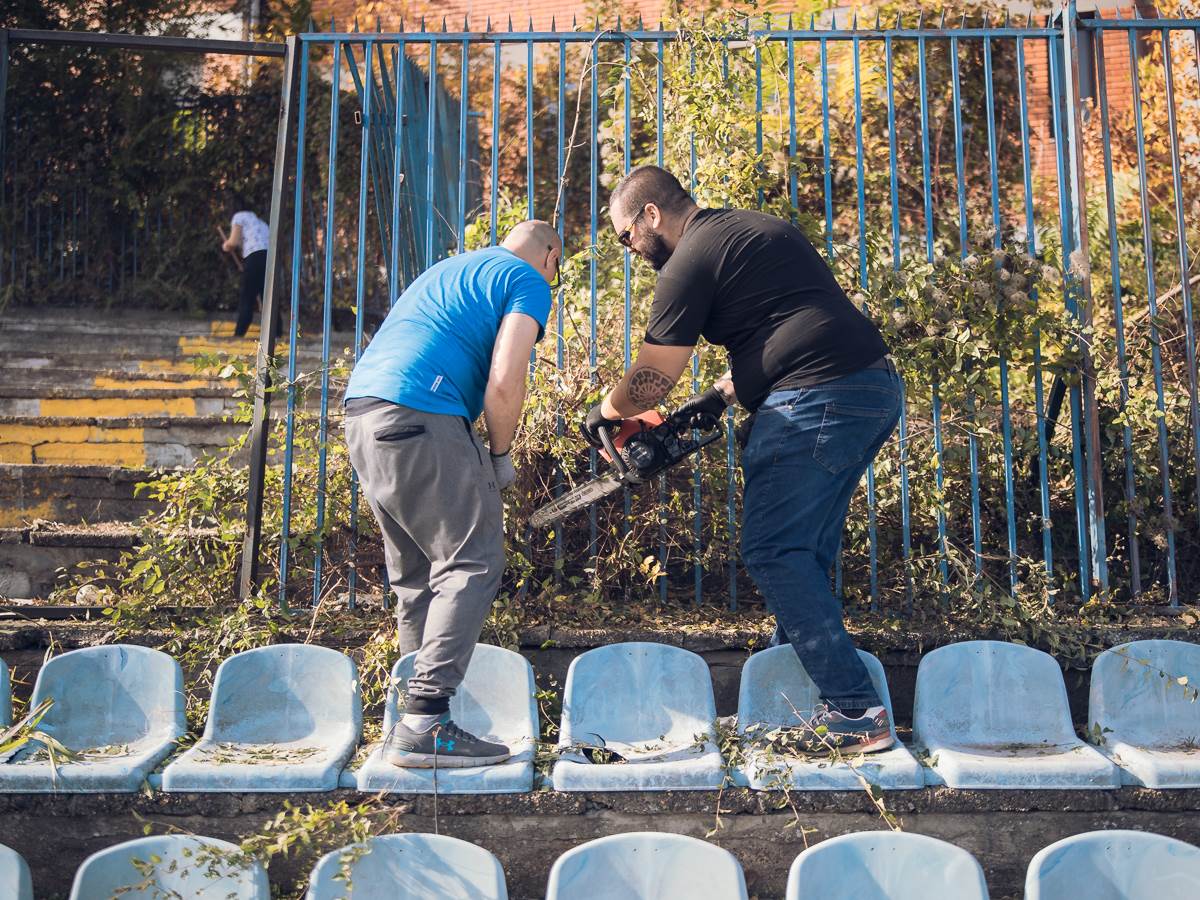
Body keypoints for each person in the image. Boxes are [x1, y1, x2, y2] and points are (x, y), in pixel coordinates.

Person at [582, 165, 899, 754]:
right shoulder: (752, 229)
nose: (628, 249)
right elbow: (791, 328)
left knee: (773, 550)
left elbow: (653, 379)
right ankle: (794, 702)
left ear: (651, 214)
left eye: (627, 235)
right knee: (802, 554)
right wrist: (721, 395)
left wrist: (605, 413)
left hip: (818, 396)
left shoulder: (686, 262)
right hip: (870, 388)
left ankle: (857, 711)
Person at [345, 219, 561, 767]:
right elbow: (505, 379)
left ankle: (411, 724)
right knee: (473, 561)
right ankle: (425, 721)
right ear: (550, 257)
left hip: (363, 416)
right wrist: (501, 455)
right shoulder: (527, 279)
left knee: (418, 576)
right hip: (423, 413)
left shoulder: (449, 270)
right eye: (555, 271)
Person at [220, 196, 269, 338]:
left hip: (254, 258)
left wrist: (225, 246)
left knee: (247, 296)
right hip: (269, 258)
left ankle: (239, 333)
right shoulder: (261, 223)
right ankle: (276, 331)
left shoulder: (239, 217)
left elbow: (233, 242)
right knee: (268, 296)